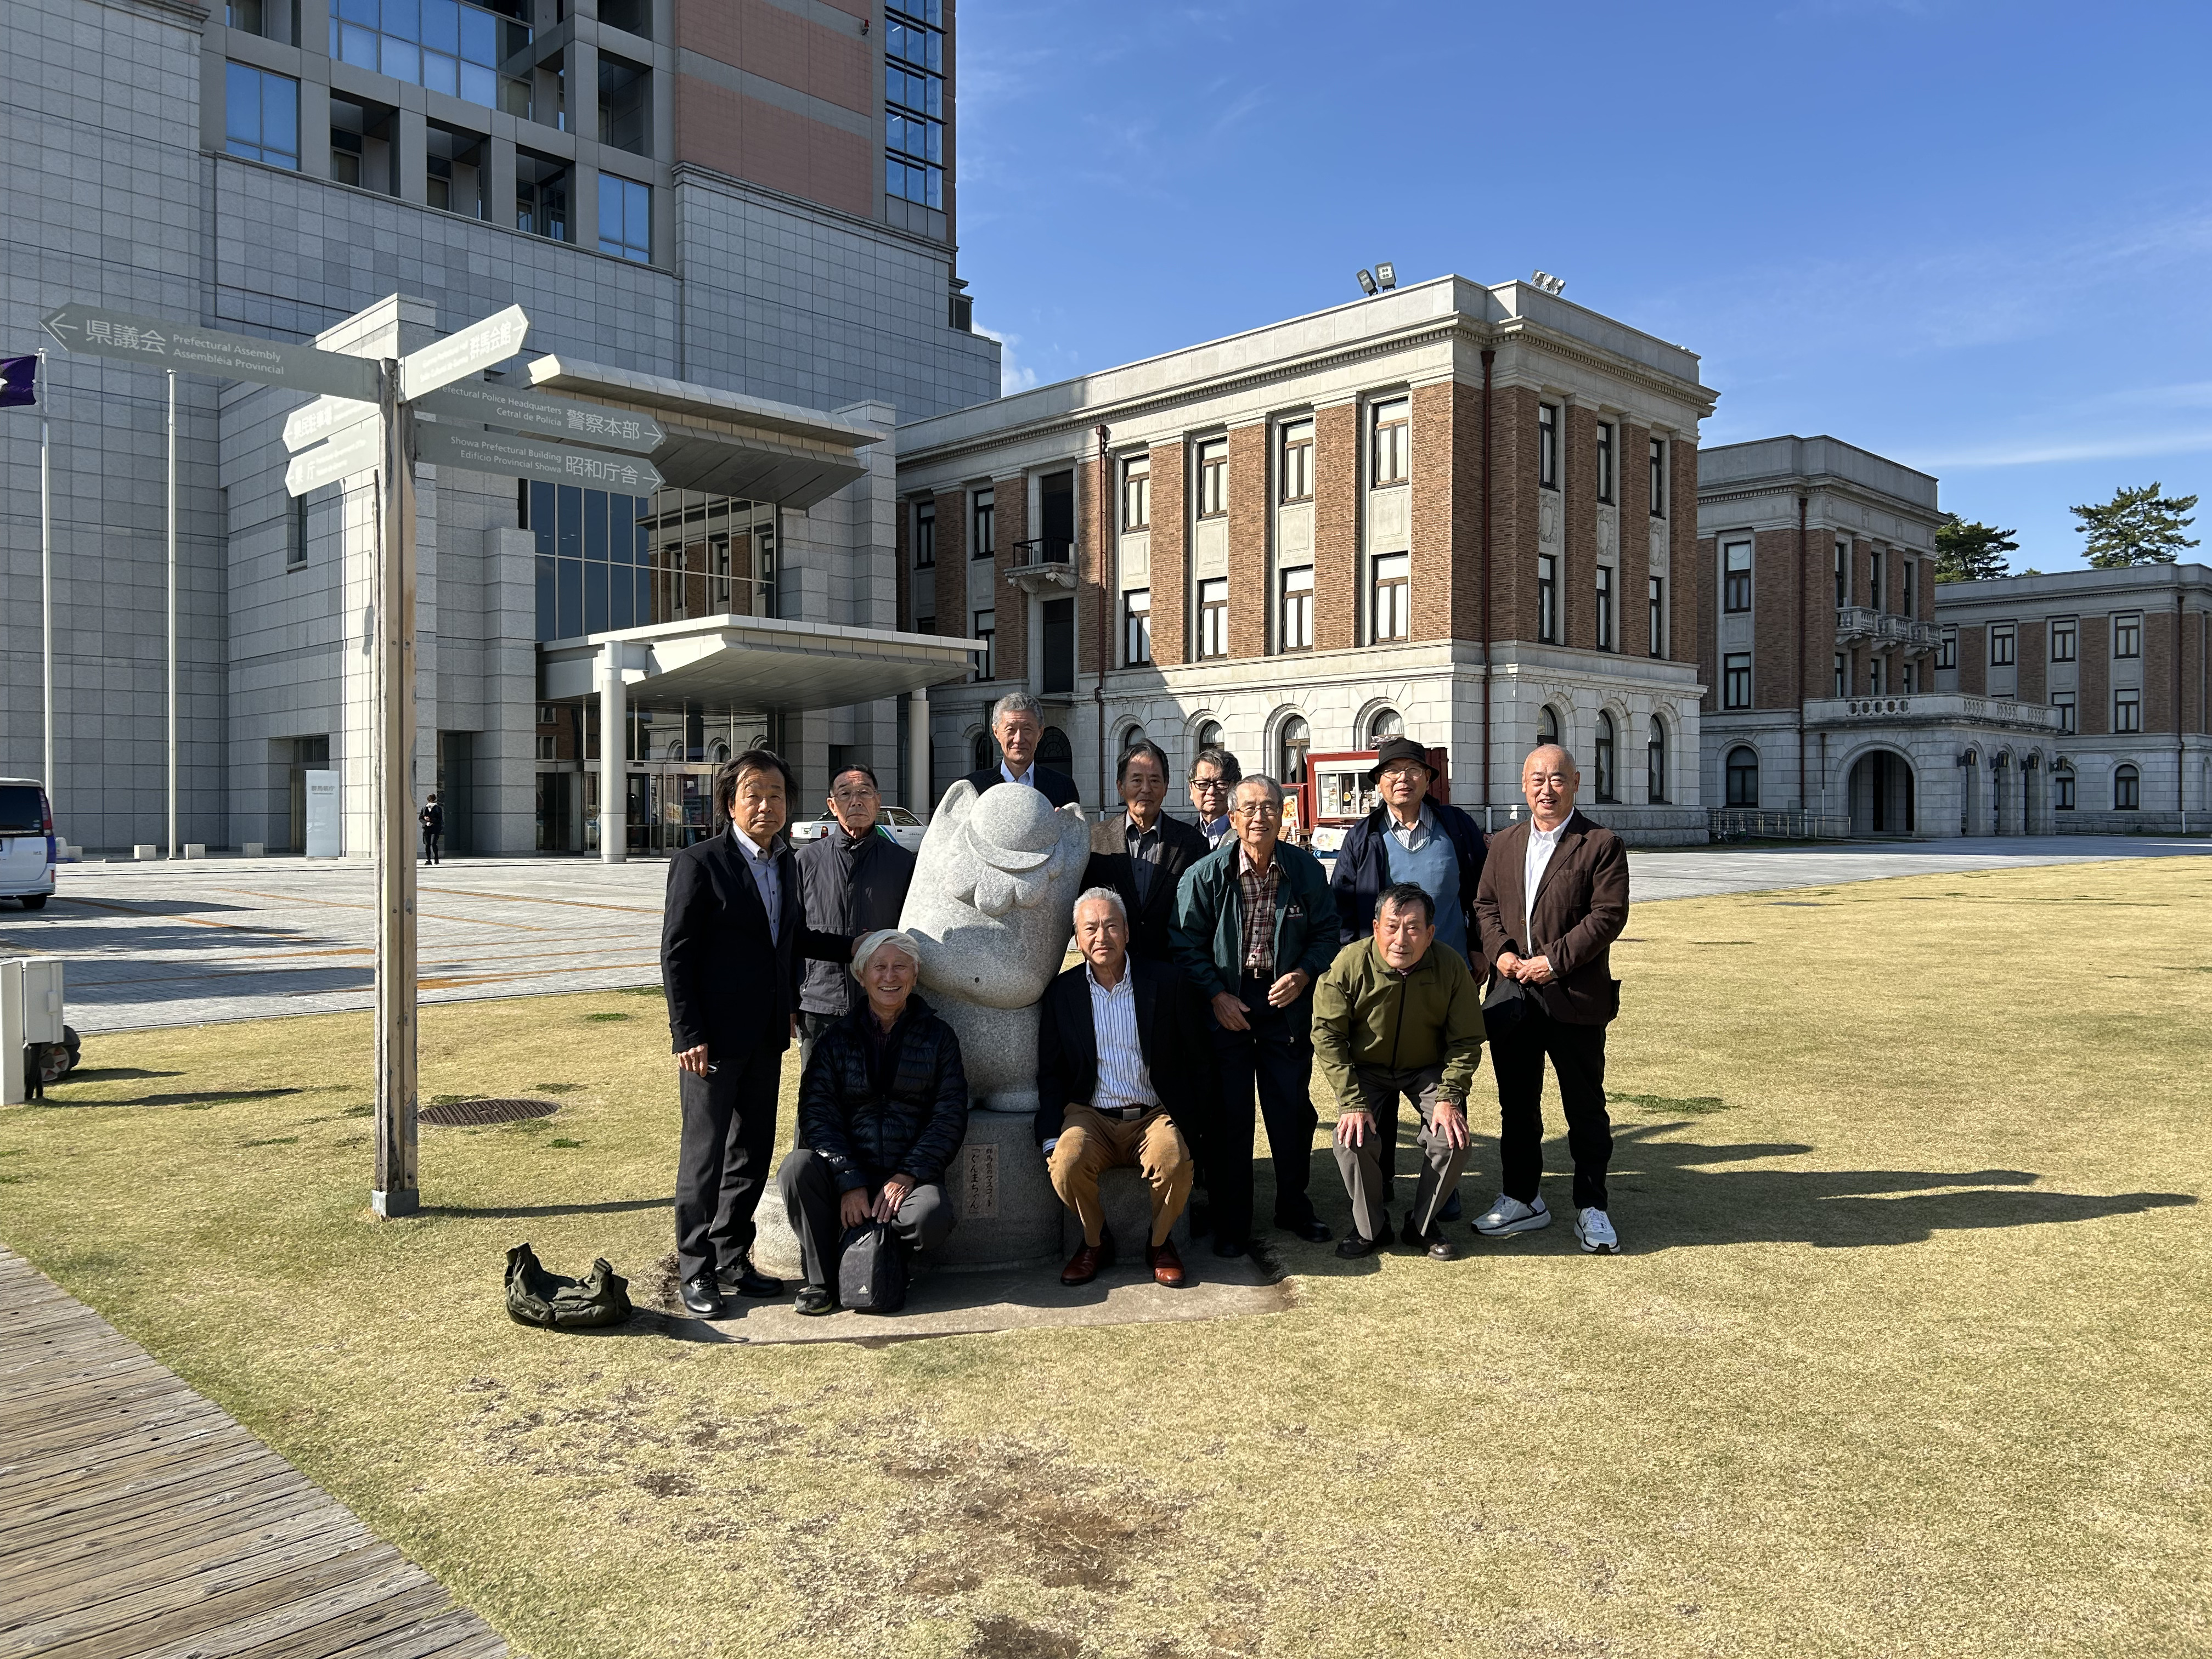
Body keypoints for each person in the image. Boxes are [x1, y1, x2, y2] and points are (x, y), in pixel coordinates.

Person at [662, 750, 857, 1318]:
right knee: (704, 1156)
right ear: (731, 803)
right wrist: (687, 1033)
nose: (766, 805)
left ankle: (731, 1255)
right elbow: (677, 955)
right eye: (754, 795)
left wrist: (856, 946)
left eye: (776, 795)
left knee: (752, 1149)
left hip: (768, 1033)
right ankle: (695, 1267)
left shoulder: (786, 864)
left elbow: (791, 940)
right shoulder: (699, 862)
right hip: (712, 1041)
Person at [1470, 744, 1631, 1255]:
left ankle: (1592, 1206)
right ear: (1524, 786)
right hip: (1513, 996)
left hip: (1574, 996)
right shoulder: (1503, 843)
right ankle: (1522, 1197)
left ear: (1576, 783)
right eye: (1537, 779)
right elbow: (1485, 905)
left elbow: (1608, 916)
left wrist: (1553, 961)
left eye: (1557, 778)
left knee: (1585, 1107)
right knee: (1517, 1105)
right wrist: (1500, 953)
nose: (1546, 788)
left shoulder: (1601, 844)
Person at [1172, 773, 1339, 1255]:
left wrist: (1304, 974)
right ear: (1233, 817)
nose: (1260, 817)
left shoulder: (1305, 870)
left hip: (1284, 1002)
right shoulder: (1205, 874)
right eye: (1249, 808)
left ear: (1282, 814)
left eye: (1269, 807)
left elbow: (1327, 931)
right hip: (1228, 1001)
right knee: (1230, 1115)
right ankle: (1233, 1221)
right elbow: (1184, 943)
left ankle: (1293, 1205)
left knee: (1291, 1109)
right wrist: (1215, 996)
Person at [777, 930, 967, 1316]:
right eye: (879, 967)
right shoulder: (833, 1040)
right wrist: (850, 1181)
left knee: (930, 1215)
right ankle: (821, 1281)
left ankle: (884, 1261)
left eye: (901, 967)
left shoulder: (940, 1038)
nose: (889, 976)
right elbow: (817, 1116)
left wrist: (908, 1174)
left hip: (907, 1177)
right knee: (796, 1168)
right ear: (861, 975)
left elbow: (949, 1116)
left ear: (915, 975)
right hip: (847, 1172)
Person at [1036, 888, 1214, 1289]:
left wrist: (1194, 1124)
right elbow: (1051, 1073)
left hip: (1153, 1113)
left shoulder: (1166, 982)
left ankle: (1160, 1243)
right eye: (1091, 928)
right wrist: (1049, 1134)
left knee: (1173, 1161)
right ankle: (1095, 1242)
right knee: (1065, 1163)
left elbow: (1197, 1058)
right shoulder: (1062, 994)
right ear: (1077, 938)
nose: (1102, 937)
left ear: (1128, 932)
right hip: (1090, 1114)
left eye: (1111, 926)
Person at [1315, 883, 1487, 1260]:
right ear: (1376, 927)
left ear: (1430, 932)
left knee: (1452, 1139)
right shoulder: (1349, 963)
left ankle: (1422, 1226)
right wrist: (1352, 1101)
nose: (1401, 939)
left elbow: (1467, 1040)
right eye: (1392, 927)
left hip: (1427, 1069)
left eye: (1413, 928)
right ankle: (1370, 1228)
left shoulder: (1451, 967)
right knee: (1352, 1139)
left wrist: (1450, 1096)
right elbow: (1327, 1034)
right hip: (1367, 1069)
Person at [795, 762, 916, 1063]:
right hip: (820, 1002)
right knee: (818, 1088)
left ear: (878, 801)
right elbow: (791, 937)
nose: (856, 801)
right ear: (832, 805)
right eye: (846, 794)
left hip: (884, 1001)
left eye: (864, 792)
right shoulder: (805, 861)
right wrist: (789, 1002)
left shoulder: (903, 863)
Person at [1328, 737, 1487, 962]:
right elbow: (1341, 904)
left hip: (1451, 964)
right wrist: (1353, 958)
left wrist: (1479, 946)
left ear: (1428, 778)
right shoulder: (1362, 836)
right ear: (1379, 781)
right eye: (1392, 770)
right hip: (1384, 968)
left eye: (1413, 769)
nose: (1403, 778)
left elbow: (1482, 893)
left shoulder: (1457, 826)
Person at [1082, 740, 1210, 965]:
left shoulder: (1192, 844)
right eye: (1137, 780)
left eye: (1154, 780)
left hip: (1171, 970)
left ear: (1166, 786)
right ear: (1120, 786)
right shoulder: (1094, 840)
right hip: (1111, 971)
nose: (1146, 789)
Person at [962, 691, 1080, 808]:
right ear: (996, 732)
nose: (1018, 739)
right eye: (1010, 730)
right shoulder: (973, 788)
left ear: (1040, 733)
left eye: (1027, 729)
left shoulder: (1063, 787)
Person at [1187, 747, 1242, 850]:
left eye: (1221, 784)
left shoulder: (1246, 833)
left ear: (1236, 787)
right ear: (1191, 789)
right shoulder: (1179, 833)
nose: (1211, 791)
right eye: (1203, 784)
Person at [419, 793, 443, 866]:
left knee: (433, 843)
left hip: (435, 828)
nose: (431, 803)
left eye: (432, 801)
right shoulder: (424, 808)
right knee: (427, 844)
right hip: (427, 828)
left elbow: (439, 819)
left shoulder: (438, 809)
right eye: (430, 801)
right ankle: (428, 860)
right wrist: (426, 822)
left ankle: (436, 858)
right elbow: (420, 818)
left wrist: (431, 820)